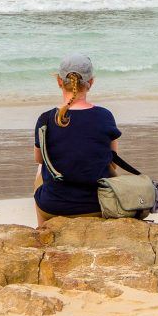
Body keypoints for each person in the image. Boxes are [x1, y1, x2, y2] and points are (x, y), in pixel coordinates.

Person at [33, 53, 121, 225]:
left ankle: (43, 231)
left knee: (39, 169)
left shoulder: (46, 119)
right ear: (91, 83)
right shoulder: (105, 116)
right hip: (99, 204)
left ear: (59, 81)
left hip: (54, 206)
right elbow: (113, 162)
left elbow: (39, 159)